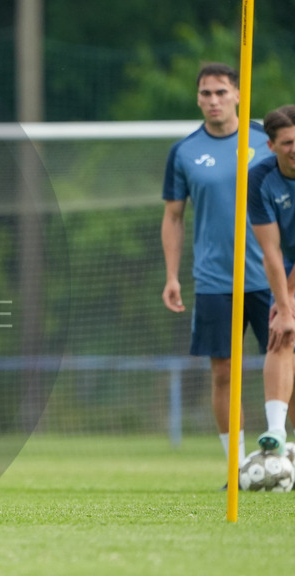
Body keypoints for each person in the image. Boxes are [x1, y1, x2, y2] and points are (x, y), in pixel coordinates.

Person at [161, 62, 272, 480]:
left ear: (238, 95)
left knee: (287, 367)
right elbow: (173, 217)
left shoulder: (267, 141)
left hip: (271, 277)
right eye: (206, 93)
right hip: (214, 281)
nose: (213, 101)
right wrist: (172, 276)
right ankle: (237, 466)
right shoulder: (185, 152)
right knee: (223, 372)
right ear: (197, 99)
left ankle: (286, 452)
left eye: (221, 92)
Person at [247, 104, 295, 454]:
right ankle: (276, 433)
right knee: (282, 334)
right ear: (271, 145)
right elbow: (270, 250)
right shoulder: (259, 179)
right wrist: (283, 307)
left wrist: (287, 301)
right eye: (288, 142)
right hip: (285, 265)